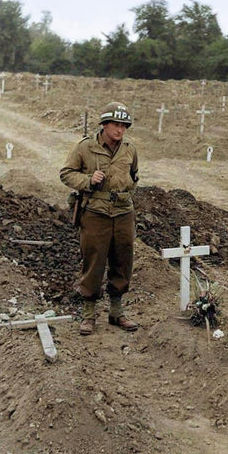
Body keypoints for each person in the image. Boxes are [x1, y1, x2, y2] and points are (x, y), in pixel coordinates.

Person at [59, 103, 140, 335]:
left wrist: (126, 189)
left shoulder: (130, 149)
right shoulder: (86, 148)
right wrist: (87, 180)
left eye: (124, 126)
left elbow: (134, 175)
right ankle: (88, 314)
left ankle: (116, 312)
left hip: (123, 212)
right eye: (116, 125)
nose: (120, 130)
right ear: (104, 125)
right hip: (95, 212)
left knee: (123, 260)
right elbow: (66, 173)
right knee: (93, 261)